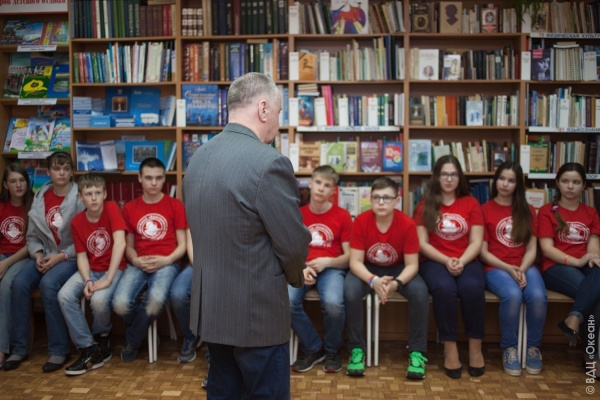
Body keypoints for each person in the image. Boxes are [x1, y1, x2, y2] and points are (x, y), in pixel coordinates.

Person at [183, 72, 311, 398]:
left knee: (223, 391)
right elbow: (293, 243)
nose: (278, 124)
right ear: (264, 109)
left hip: (213, 309)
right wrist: (296, 276)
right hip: (257, 314)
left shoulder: (198, 158)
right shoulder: (269, 162)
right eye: (279, 113)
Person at [4, 152, 85, 372]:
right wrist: (38, 254)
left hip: (70, 256)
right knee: (19, 283)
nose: (61, 173)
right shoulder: (40, 197)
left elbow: (84, 238)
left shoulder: (79, 198)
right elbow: (32, 237)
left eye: (66, 169)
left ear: (72, 172)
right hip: (44, 254)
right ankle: (19, 348)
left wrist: (60, 256)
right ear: (48, 171)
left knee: (49, 284)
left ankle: (59, 350)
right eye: (57, 169)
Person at [345, 177, 429, 379]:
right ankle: (356, 349)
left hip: (399, 268)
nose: (381, 202)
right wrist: (373, 280)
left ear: (396, 200)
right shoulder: (361, 221)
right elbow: (355, 262)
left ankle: (417, 352)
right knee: (350, 291)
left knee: (420, 292)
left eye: (386, 198)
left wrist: (396, 284)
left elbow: (412, 265)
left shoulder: (407, 224)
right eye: (376, 197)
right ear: (370, 199)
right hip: (367, 268)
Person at [414, 154, 485, 379]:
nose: (449, 179)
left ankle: (475, 348)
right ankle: (450, 349)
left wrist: (461, 261)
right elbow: (422, 243)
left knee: (472, 288)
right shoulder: (425, 204)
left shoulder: (471, 203)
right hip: (434, 261)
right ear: (436, 177)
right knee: (445, 289)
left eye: (454, 174)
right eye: (444, 174)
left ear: (460, 177)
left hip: (467, 259)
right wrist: (446, 260)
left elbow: (476, 242)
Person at [112, 157, 187, 362]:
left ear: (164, 179)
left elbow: (182, 245)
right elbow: (128, 246)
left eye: (158, 178)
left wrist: (167, 260)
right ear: (139, 178)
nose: (153, 183)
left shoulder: (175, 205)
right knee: (119, 304)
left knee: (155, 302)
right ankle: (142, 331)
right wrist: (135, 260)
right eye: (148, 178)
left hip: (167, 263)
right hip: (139, 263)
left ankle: (133, 340)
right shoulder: (130, 207)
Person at [480, 162, 547, 376]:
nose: (505, 184)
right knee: (513, 294)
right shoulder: (484, 209)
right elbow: (483, 252)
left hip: (524, 265)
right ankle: (509, 348)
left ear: (518, 185)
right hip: (495, 266)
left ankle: (533, 347)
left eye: (511, 180)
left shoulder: (528, 211)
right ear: (495, 181)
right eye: (501, 179)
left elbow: (532, 249)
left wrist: (521, 269)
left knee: (538, 295)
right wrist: (510, 269)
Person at [57, 173, 127, 375]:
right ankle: (89, 347)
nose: (94, 198)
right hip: (91, 269)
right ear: (80, 197)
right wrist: (87, 279)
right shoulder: (77, 222)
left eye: (98, 193)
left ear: (105, 194)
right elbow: (81, 256)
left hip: (114, 268)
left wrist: (107, 279)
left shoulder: (111, 208)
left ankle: (102, 336)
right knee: (64, 295)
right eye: (89, 194)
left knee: (98, 301)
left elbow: (120, 243)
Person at [290, 165, 352, 374]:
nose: (321, 188)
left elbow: (349, 257)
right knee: (286, 301)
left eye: (327, 185)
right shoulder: (298, 214)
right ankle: (314, 347)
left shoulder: (343, 216)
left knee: (333, 303)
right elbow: (290, 251)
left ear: (333, 190)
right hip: (302, 267)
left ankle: (333, 350)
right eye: (318, 182)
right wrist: (302, 266)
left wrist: (327, 262)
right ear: (310, 183)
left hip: (332, 268)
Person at [538, 162, 600, 366]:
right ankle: (591, 358)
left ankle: (575, 318)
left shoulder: (591, 212)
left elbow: (593, 245)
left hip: (584, 265)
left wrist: (592, 257)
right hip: (555, 267)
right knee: (594, 295)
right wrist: (578, 260)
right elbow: (547, 249)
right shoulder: (547, 211)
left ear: (584, 185)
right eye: (565, 181)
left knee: (597, 275)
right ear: (557, 183)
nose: (570, 186)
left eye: (576, 182)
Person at [0, 163, 34, 369]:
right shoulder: (2, 206)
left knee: (6, 286)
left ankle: (2, 348)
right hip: (3, 256)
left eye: (22, 180)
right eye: (13, 181)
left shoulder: (33, 206)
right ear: (5, 184)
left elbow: (32, 244)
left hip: (22, 257)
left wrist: (5, 263)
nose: (18, 185)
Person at [169, 229, 200, 363]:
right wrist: (200, 268)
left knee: (217, 293)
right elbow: (190, 244)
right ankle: (191, 336)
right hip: (196, 264)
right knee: (178, 294)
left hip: (224, 267)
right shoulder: (196, 214)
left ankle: (216, 352)